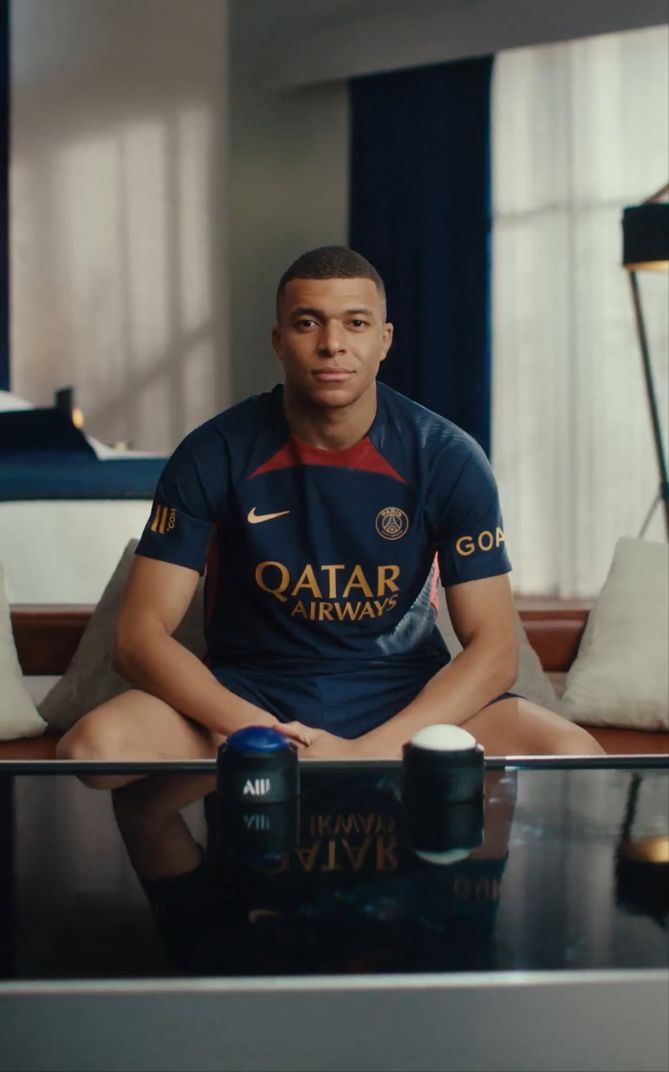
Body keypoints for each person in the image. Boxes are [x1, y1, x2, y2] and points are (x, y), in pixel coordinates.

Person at [56, 246, 603, 776]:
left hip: (406, 695)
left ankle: (457, 868)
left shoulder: (446, 456)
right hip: (249, 693)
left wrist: (372, 751)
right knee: (92, 747)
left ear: (385, 339)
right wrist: (260, 732)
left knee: (576, 756)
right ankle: (193, 873)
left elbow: (495, 650)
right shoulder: (214, 451)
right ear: (278, 339)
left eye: (356, 324)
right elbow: (137, 638)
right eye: (308, 323)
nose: (332, 344)